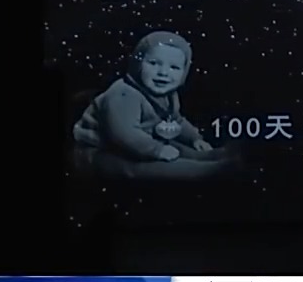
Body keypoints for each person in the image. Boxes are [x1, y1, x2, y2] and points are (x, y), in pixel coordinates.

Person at [72, 31, 238, 179]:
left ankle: (207, 158)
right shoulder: (123, 94)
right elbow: (123, 134)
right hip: (101, 151)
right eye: (153, 63)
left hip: (141, 142)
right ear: (138, 64)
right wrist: (156, 150)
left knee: (175, 147)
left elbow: (176, 120)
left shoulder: (168, 95)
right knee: (139, 167)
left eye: (174, 67)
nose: (163, 73)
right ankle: (209, 171)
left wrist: (194, 138)